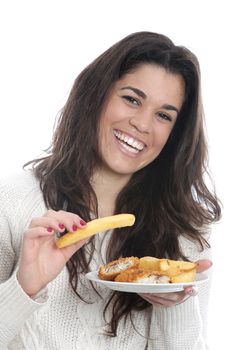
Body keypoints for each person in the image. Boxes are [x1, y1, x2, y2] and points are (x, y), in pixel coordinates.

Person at [0, 31, 221, 350]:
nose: (143, 124)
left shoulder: (184, 232)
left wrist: (175, 305)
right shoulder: (13, 202)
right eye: (132, 99)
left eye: (163, 115)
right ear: (97, 95)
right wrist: (24, 287)